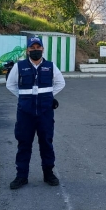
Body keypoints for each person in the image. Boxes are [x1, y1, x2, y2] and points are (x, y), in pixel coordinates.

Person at [5, 37, 66, 189]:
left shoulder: (50, 66)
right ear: (27, 50)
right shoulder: (20, 66)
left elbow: (60, 83)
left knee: (46, 143)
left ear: (43, 49)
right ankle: (21, 176)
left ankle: (48, 174)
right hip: (25, 113)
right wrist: (24, 96)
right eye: (32, 48)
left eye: (38, 47)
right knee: (24, 144)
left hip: (45, 112)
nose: (35, 50)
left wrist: (49, 96)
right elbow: (10, 84)